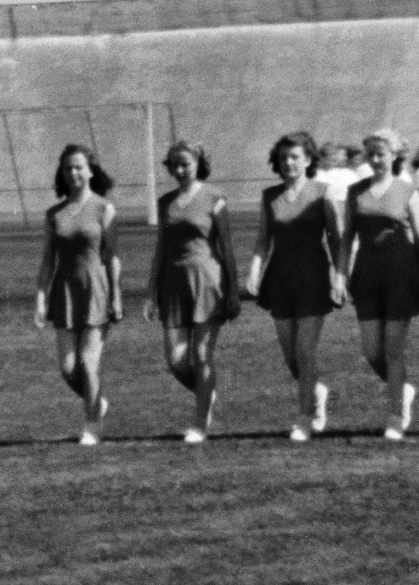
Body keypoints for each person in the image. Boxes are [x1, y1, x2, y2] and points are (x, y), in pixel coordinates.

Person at [247, 134, 349, 441]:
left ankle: (304, 418)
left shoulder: (324, 192)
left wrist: (339, 277)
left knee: (305, 352)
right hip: (279, 279)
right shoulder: (269, 196)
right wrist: (253, 272)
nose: (288, 163)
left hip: (314, 278)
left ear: (308, 159)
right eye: (283, 158)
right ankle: (316, 392)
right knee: (291, 357)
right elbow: (263, 241)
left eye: (294, 157)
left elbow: (337, 239)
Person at [344, 130, 419, 441]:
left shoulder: (408, 191)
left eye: (381, 153)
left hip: (401, 275)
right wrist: (340, 275)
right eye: (370, 153)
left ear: (394, 155)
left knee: (393, 350)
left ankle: (395, 416)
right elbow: (346, 238)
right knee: (372, 352)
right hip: (366, 276)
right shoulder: (355, 191)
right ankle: (404, 390)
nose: (375, 159)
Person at [30, 145, 119, 445]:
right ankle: (98, 403)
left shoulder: (104, 208)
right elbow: (46, 260)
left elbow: (111, 257)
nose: (73, 173)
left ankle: (91, 426)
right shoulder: (54, 215)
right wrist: (41, 299)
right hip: (64, 293)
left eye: (79, 167)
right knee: (69, 368)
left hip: (96, 290)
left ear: (91, 170)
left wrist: (117, 296)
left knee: (88, 362)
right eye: (68, 168)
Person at [149, 142, 236, 442]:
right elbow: (161, 248)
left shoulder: (215, 199)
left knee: (201, 354)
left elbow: (226, 248)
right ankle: (206, 394)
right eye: (174, 164)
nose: (180, 169)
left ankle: (200, 423)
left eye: (185, 163)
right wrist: (151, 292)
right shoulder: (165, 202)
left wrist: (233, 291)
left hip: (207, 283)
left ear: (199, 162)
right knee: (175, 361)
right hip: (173, 285)